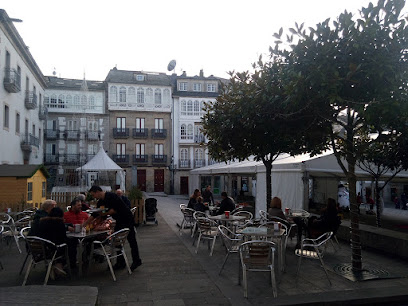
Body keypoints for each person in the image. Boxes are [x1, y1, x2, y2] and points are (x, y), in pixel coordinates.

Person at [89, 185, 142, 271]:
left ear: (97, 192)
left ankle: (136, 260)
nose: (93, 197)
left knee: (131, 240)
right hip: (119, 220)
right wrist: (86, 224)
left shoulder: (111, 196)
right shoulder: (101, 202)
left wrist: (103, 214)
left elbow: (113, 210)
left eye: (93, 195)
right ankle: (121, 262)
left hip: (126, 218)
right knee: (117, 241)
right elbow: (96, 214)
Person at [38, 207, 68, 276]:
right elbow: (63, 237)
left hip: (42, 248)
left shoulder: (42, 222)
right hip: (53, 249)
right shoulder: (59, 223)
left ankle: (56, 266)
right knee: (69, 245)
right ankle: (59, 266)